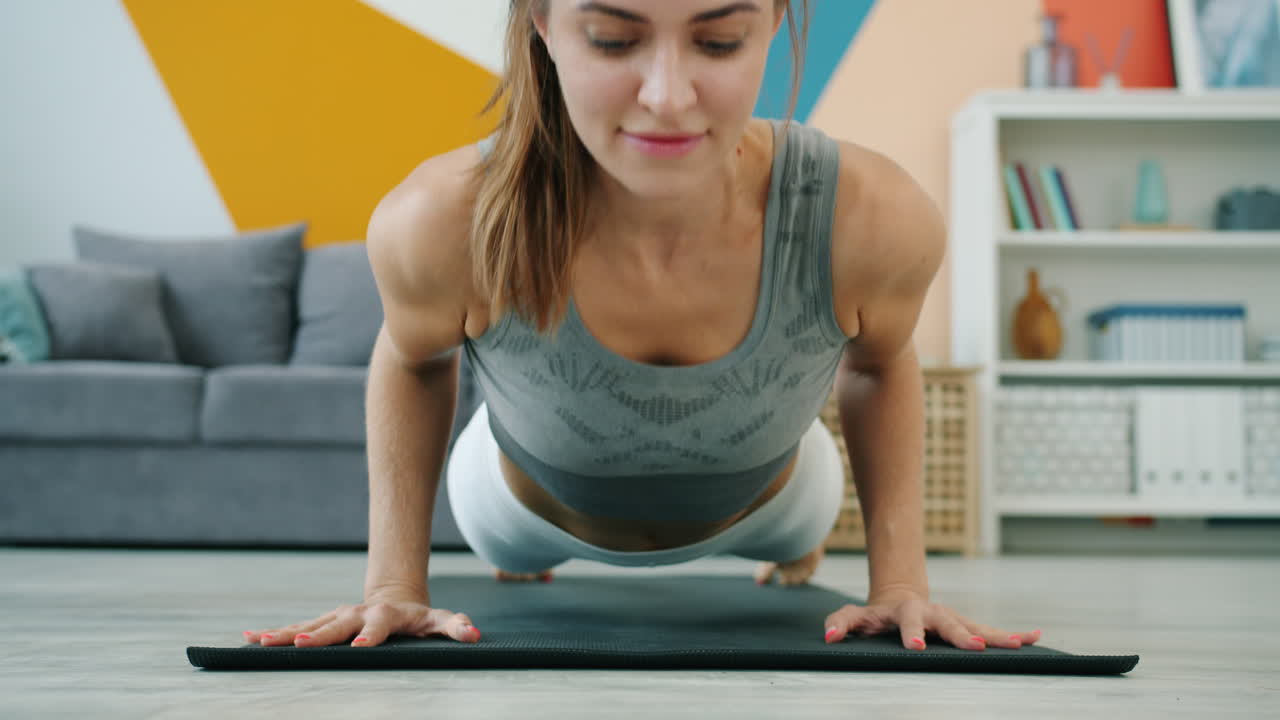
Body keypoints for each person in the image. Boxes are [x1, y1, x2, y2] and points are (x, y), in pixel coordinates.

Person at [242, 0, 1041, 654]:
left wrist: (900, 584)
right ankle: (529, 558)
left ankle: (791, 548)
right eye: (613, 38)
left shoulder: (876, 215)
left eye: (718, 41)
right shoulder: (438, 217)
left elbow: (882, 361)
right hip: (515, 511)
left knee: (800, 524)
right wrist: (393, 585)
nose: (667, 96)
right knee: (510, 546)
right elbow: (413, 359)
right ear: (542, 23)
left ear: (774, 21)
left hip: (780, 501)